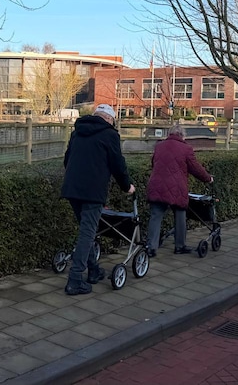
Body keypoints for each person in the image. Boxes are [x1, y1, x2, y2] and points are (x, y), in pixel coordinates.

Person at [61, 103, 135, 295]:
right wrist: (127, 186)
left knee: (87, 231)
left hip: (72, 188)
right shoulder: (110, 134)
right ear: (110, 119)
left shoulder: (78, 132)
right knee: (87, 233)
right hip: (92, 191)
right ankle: (75, 279)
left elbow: (67, 159)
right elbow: (118, 164)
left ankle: (93, 270)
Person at [146, 124, 213, 256]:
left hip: (157, 185)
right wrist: (208, 178)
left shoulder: (159, 146)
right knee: (180, 213)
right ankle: (179, 246)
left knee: (155, 216)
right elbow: (195, 168)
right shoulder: (186, 149)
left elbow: (153, 163)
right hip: (177, 187)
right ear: (182, 135)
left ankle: (151, 248)